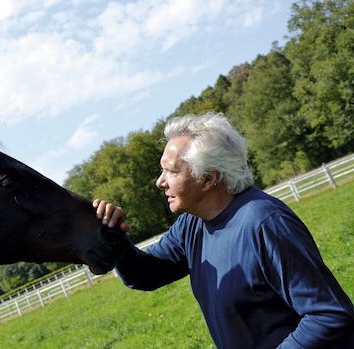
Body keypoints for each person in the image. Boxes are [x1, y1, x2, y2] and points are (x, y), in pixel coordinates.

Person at [94, 113, 354, 348]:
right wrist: (113, 236)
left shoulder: (264, 222)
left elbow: (329, 315)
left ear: (208, 179)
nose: (160, 182)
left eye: (171, 171)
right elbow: (144, 274)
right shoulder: (192, 224)